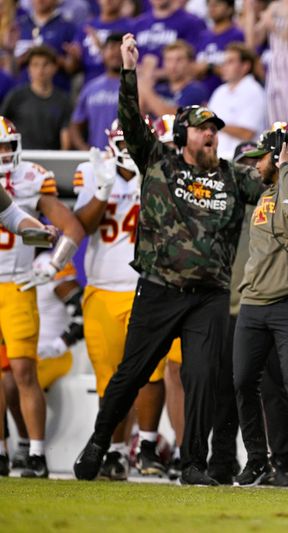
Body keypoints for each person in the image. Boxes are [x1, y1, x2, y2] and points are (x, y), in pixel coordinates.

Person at [73, 33, 266, 486]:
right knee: (133, 372)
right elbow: (129, 120)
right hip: (160, 287)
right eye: (203, 128)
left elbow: (273, 192)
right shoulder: (158, 160)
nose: (212, 134)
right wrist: (128, 71)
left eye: (215, 129)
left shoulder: (234, 176)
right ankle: (100, 441)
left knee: (201, 379)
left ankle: (193, 463)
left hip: (210, 296)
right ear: (182, 135)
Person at [72, 123, 184, 481]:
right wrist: (103, 190)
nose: (126, 147)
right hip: (103, 287)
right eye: (120, 141)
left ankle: (148, 445)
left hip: (147, 285)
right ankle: (115, 452)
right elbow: (82, 225)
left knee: (150, 373)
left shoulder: (164, 170)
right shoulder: (92, 171)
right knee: (110, 380)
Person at [231, 124, 288, 490]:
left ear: (279, 156)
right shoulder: (261, 192)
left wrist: (287, 168)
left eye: (261, 158)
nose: (255, 165)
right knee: (242, 383)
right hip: (252, 303)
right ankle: (256, 460)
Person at [0, 115, 84, 478]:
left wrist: (55, 261)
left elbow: (60, 225)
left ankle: (35, 453)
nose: (3, 154)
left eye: (7, 146)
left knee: (23, 370)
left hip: (18, 280)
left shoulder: (30, 178)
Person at [0, 45, 72, 150]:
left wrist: (62, 161)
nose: (40, 70)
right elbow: (2, 124)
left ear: (55, 68)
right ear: (29, 69)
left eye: (45, 64)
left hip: (52, 160)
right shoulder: (16, 96)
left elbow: (66, 137)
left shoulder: (63, 100)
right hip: (21, 158)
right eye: (35, 65)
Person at [207, 42, 266, 159]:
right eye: (223, 62)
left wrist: (214, 123)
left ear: (245, 66)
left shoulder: (254, 91)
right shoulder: (219, 91)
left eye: (230, 62)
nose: (224, 66)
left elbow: (247, 133)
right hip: (216, 157)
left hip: (242, 160)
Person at [70, 33, 124, 150]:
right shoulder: (91, 88)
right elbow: (75, 125)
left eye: (120, 48)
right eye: (111, 48)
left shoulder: (138, 87)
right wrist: (86, 151)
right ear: (103, 53)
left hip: (127, 158)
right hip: (98, 158)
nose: (116, 53)